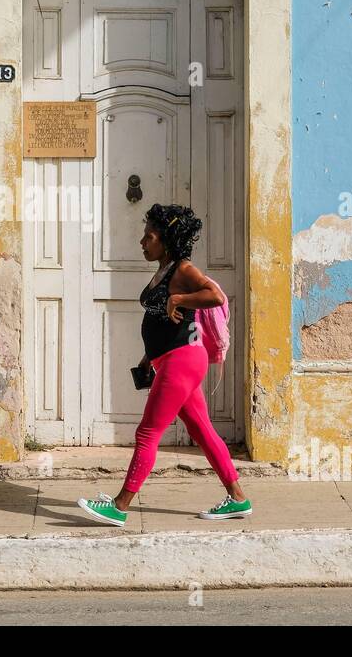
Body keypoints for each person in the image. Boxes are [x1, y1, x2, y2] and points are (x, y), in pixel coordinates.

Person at [76, 203, 250, 527]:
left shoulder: (183, 270)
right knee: (202, 430)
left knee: (147, 433)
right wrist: (148, 355)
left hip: (182, 360)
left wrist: (180, 299)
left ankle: (120, 506)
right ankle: (238, 497)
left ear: (166, 240)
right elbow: (162, 321)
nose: (143, 242)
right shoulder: (164, 269)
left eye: (149, 236)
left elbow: (215, 296)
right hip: (172, 358)